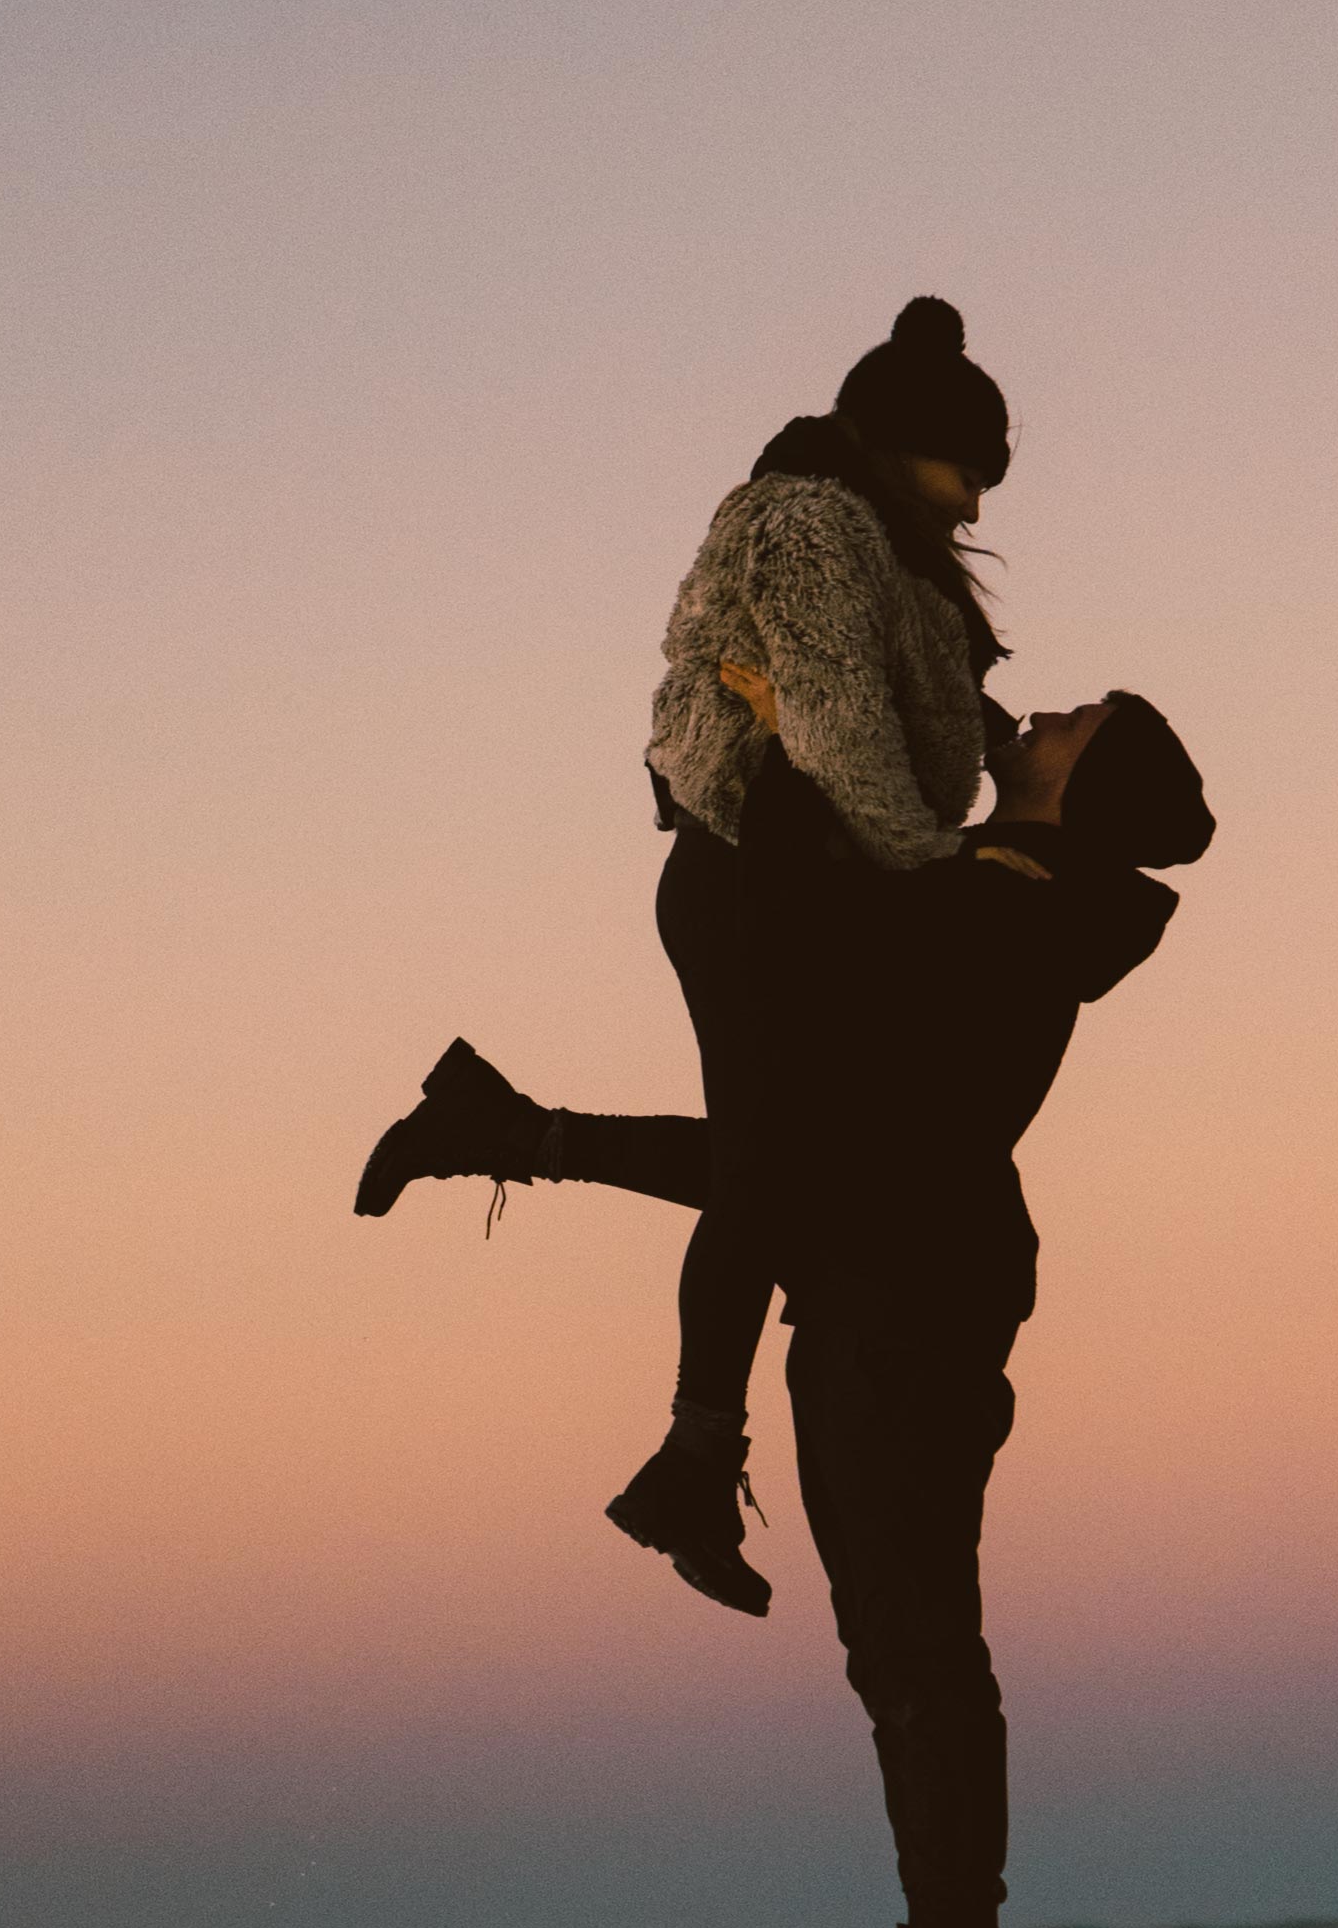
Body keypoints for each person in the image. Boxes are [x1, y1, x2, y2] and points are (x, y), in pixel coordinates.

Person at [353, 682, 1212, 1928]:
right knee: (912, 1659)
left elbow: (794, 1150)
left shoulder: (999, 913)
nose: (1037, 710)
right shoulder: (1007, 897)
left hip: (907, 1311)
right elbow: (788, 1158)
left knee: (919, 1659)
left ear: (1081, 785)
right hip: (901, 1290)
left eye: (1067, 722)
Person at [356, 297, 1021, 1616]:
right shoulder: (809, 524)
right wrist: (944, 864)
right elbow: (832, 710)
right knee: (776, 1174)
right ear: (899, 448)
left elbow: (903, 703)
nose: (978, 507)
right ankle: (691, 1457)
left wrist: (994, 760)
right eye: (966, 473)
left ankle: (505, 1135)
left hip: (805, 878)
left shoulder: (871, 540)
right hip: (760, 877)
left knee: (779, 1167)